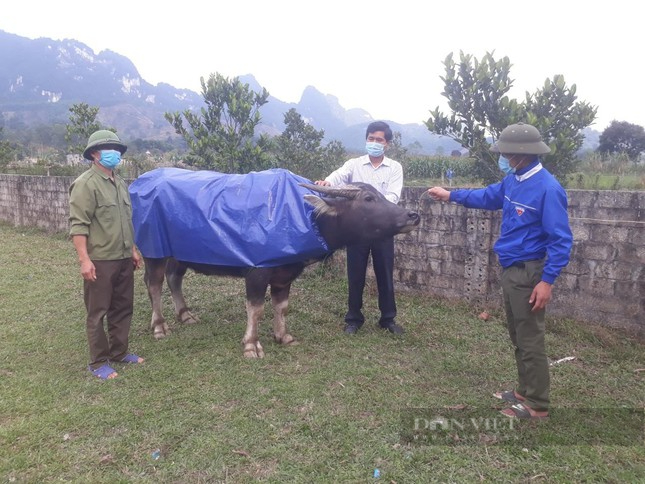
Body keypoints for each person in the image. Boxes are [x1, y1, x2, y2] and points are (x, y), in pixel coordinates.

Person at [427, 122, 573, 420]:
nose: (502, 158)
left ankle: (537, 404)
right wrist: (450, 195)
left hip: (529, 272)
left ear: (521, 154)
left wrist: (547, 281)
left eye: (505, 153)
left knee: (530, 337)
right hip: (510, 269)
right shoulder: (515, 179)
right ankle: (523, 390)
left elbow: (561, 240)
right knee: (517, 333)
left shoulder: (547, 188)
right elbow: (487, 196)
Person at [315, 121, 405, 335]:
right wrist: (327, 183)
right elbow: (337, 177)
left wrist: (372, 207)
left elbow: (392, 197)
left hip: (383, 229)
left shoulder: (394, 168)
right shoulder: (353, 165)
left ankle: (388, 319)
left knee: (385, 273)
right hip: (357, 230)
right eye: (371, 138)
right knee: (355, 274)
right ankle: (354, 319)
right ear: (366, 140)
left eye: (379, 139)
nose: (374, 142)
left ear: (387, 144)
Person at [69, 130, 144, 380]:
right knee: (98, 311)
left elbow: (125, 221)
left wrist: (132, 249)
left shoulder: (119, 183)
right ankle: (98, 361)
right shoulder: (85, 184)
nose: (114, 153)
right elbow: (78, 225)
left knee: (123, 307)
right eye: (107, 148)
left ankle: (120, 353)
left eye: (116, 148)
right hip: (100, 260)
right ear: (94, 154)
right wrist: (84, 260)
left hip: (123, 257)